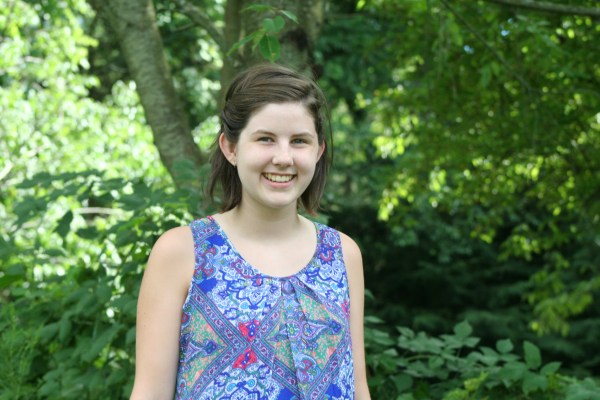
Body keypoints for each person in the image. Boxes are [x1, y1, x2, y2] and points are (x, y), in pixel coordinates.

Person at [130, 64, 371, 400]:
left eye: (299, 141)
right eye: (265, 139)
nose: (283, 158)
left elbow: (358, 388)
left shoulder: (343, 254)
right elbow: (150, 394)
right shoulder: (183, 251)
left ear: (318, 151)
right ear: (231, 148)